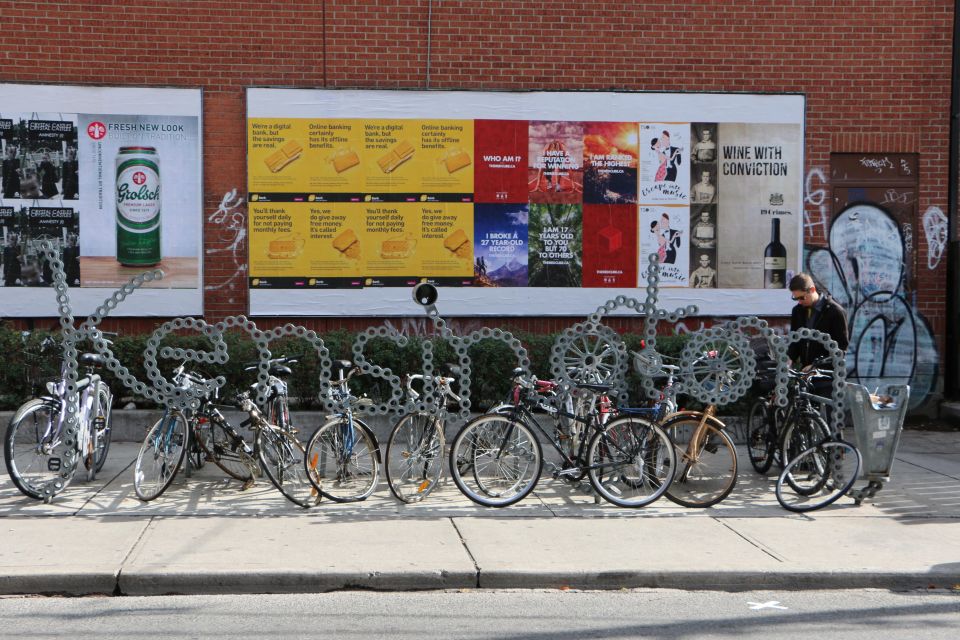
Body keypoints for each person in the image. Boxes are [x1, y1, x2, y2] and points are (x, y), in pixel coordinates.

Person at [787, 273, 849, 369]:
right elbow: (795, 341)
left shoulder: (835, 312)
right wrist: (789, 359)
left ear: (812, 290)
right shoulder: (797, 311)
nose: (799, 302)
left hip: (827, 376)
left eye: (802, 297)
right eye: (795, 298)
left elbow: (841, 350)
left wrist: (816, 366)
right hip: (806, 372)